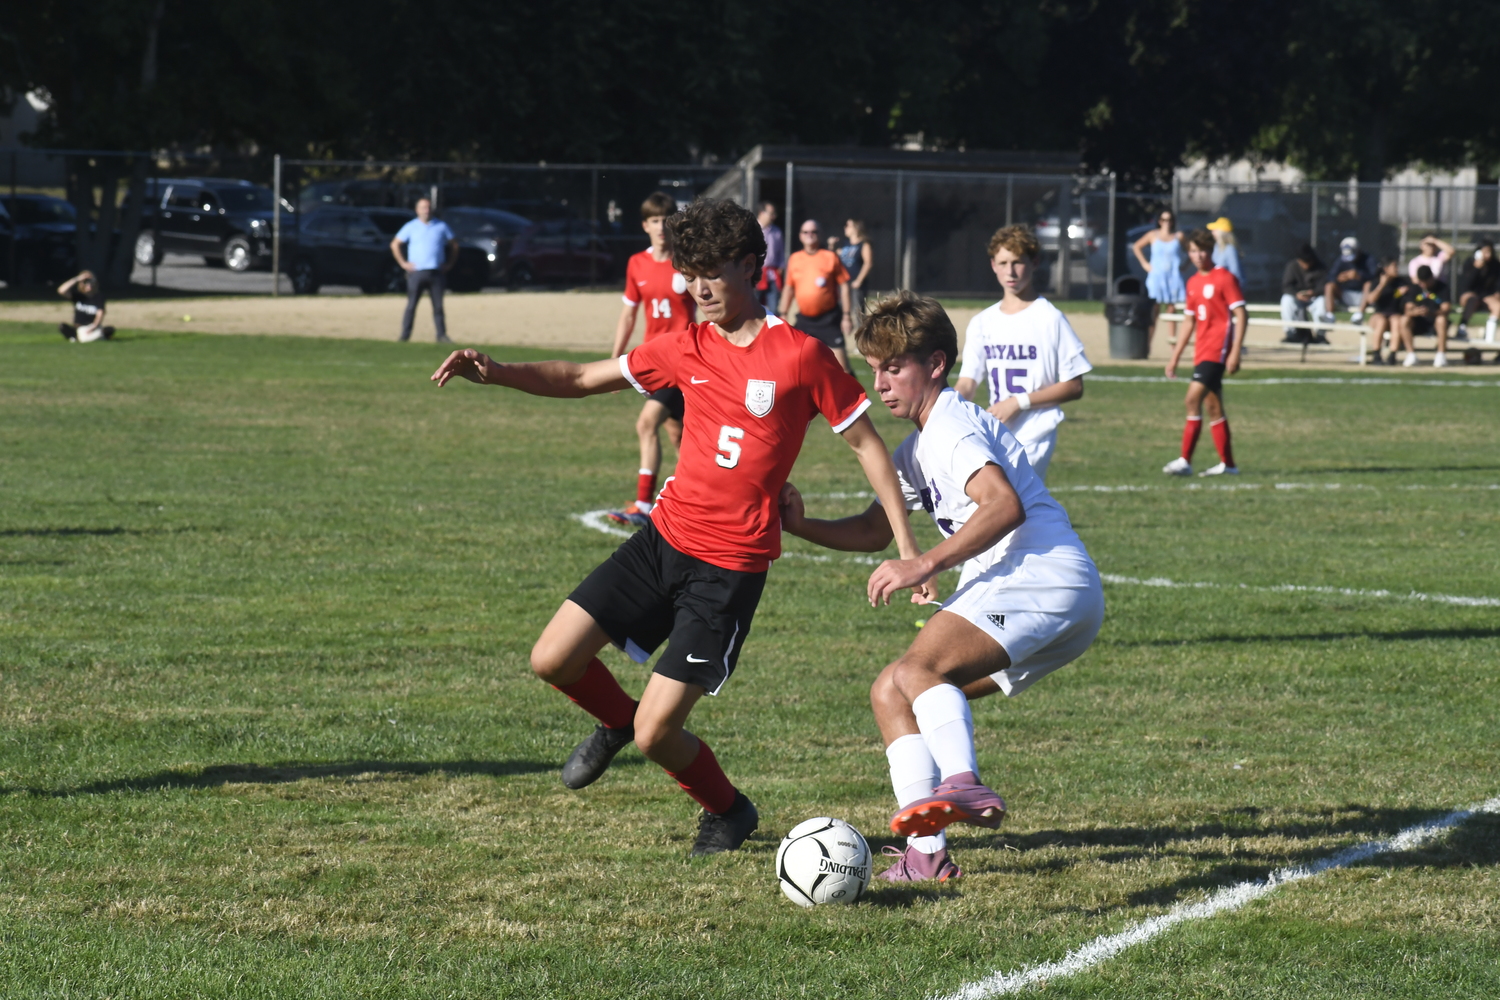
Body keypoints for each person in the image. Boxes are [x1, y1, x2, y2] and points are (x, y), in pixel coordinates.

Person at [428, 198, 924, 857]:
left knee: (659, 734)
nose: (698, 288)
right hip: (662, 540)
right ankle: (615, 721)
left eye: (710, 273)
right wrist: (497, 372)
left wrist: (909, 548)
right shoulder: (684, 345)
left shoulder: (801, 355)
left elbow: (866, 446)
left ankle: (729, 810)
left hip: (728, 570)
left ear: (750, 265)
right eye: (689, 275)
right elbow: (582, 376)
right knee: (552, 658)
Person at [779, 292, 1103, 882]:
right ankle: (926, 855)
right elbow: (875, 529)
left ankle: (963, 782)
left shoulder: (951, 424)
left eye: (893, 367)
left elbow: (1003, 505)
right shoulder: (918, 446)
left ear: (935, 365)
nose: (880, 384)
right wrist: (801, 525)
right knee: (892, 691)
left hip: (1040, 578)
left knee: (916, 671)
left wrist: (924, 563)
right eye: (874, 369)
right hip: (1045, 593)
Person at [953, 225, 1091, 482]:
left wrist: (1018, 402)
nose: (1010, 271)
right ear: (993, 265)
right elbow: (968, 382)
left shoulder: (1050, 319)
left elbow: (1074, 386)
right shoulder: (983, 322)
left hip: (1035, 432)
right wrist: (944, 409)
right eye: (1003, 263)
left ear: (1034, 263)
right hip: (996, 431)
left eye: (1017, 262)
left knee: (1003, 499)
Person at [607, 192, 698, 527]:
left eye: (666, 220)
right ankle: (698, 501)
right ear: (645, 225)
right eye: (655, 221)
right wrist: (615, 358)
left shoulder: (687, 261)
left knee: (646, 424)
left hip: (682, 360)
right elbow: (628, 315)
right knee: (680, 437)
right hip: (652, 361)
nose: (661, 227)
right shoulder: (637, 263)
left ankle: (644, 505)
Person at [1163, 230, 1247, 477]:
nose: (1198, 256)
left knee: (1192, 400)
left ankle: (1184, 461)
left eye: (1202, 250)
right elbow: (1189, 322)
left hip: (1218, 350)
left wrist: (1235, 351)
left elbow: (1241, 314)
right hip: (1201, 350)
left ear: (1210, 251)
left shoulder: (1225, 278)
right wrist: (1175, 357)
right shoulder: (1192, 283)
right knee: (1213, 406)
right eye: (1193, 251)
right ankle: (1228, 465)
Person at [781, 219, 854, 372]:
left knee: (842, 368)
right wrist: (783, 313)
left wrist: (847, 316)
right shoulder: (795, 259)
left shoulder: (830, 257)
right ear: (800, 236)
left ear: (820, 235)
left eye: (814, 232)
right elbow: (789, 288)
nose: (810, 235)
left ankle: (852, 388)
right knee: (795, 364)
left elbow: (844, 285)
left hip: (828, 319)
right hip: (805, 321)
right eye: (806, 232)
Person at [391, 197, 457, 343]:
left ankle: (441, 335)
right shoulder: (410, 226)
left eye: (428, 208)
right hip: (417, 272)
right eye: (423, 208)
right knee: (411, 306)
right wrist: (403, 263)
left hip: (436, 272)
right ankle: (405, 335)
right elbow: (395, 244)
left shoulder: (441, 226)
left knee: (438, 306)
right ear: (417, 210)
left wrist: (449, 264)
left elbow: (454, 245)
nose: (426, 211)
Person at [1132, 209, 1187, 349]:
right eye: (1163, 219)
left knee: (1171, 310)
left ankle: (1173, 346)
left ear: (1173, 221)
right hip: (1156, 278)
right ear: (1159, 221)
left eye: (1169, 220)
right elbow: (1136, 246)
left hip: (1173, 278)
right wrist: (1145, 264)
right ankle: (1147, 345)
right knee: (1153, 311)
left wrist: (1185, 266)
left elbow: (1192, 249)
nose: (1166, 223)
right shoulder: (1152, 235)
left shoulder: (1179, 236)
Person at [1392, 264, 1451, 367]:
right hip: (1418, 322)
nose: (1423, 285)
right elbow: (1408, 308)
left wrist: (1431, 312)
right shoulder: (1415, 288)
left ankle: (1441, 355)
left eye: (1426, 282)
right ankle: (1411, 355)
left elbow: (1446, 308)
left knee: (1441, 320)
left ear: (1431, 278)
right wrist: (1416, 312)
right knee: (1404, 320)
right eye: (1421, 282)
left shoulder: (1442, 287)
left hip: (1434, 321)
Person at [1362, 257, 1408, 365]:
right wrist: (1382, 285)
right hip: (1379, 315)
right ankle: (1376, 355)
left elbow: (1399, 299)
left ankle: (1392, 355)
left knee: (1396, 321)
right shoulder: (1376, 281)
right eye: (1394, 266)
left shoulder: (1401, 282)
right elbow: (1371, 299)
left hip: (1394, 315)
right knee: (1381, 321)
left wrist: (1400, 293)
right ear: (1386, 268)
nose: (1397, 269)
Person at [1280, 244, 1330, 343]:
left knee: (1322, 302)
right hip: (1297, 297)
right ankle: (1291, 334)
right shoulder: (1292, 266)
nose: (1307, 264)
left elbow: (1325, 286)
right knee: (1286, 300)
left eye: (1309, 261)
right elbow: (1286, 286)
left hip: (1314, 298)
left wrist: (1314, 292)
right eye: (1304, 261)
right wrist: (1296, 294)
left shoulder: (1320, 266)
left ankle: (1320, 336)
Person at [1456, 239, 1500, 343]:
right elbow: (1466, 285)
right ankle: (1462, 327)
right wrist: (1476, 269)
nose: (1488, 255)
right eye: (1485, 252)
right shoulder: (1470, 263)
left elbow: (1497, 283)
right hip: (1470, 294)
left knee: (1497, 306)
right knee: (1473, 300)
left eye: (1490, 252)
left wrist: (1497, 292)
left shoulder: (1495, 265)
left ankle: (1489, 334)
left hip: (1486, 295)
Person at [1324, 236, 1375, 324]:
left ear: (1358, 250)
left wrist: (1359, 276)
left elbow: (1375, 277)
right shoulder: (1341, 260)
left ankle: (1359, 315)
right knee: (1329, 286)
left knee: (1368, 284)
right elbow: (1330, 277)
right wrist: (1339, 278)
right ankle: (1329, 315)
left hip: (1363, 296)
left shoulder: (1368, 259)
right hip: (1345, 294)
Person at [55, 270, 114, 342]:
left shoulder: (98, 297)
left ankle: (82, 338)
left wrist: (94, 326)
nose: (89, 284)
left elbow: (100, 313)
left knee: (110, 329)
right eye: (86, 282)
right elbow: (61, 290)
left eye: (90, 281)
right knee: (62, 326)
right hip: (79, 327)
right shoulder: (78, 296)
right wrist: (78, 279)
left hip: (92, 326)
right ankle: (76, 337)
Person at [838, 218, 874, 322]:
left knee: (858, 311)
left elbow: (868, 263)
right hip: (844, 282)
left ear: (856, 228)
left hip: (855, 283)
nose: (845, 228)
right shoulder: (846, 244)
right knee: (842, 310)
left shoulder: (864, 244)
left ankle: (861, 330)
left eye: (848, 226)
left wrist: (859, 280)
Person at [756, 202, 784, 315]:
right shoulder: (752, 230)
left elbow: (780, 252)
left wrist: (781, 267)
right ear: (761, 213)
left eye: (774, 214)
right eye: (771, 213)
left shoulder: (776, 232)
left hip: (772, 274)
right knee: (753, 307)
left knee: (774, 309)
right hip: (755, 275)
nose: (774, 216)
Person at [1206, 217, 1243, 283]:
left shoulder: (1230, 250)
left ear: (1221, 232)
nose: (1212, 232)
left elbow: (1236, 274)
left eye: (1215, 230)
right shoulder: (1216, 247)